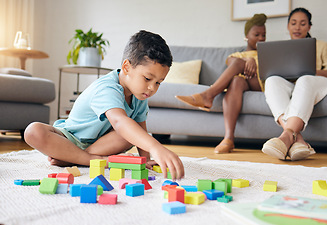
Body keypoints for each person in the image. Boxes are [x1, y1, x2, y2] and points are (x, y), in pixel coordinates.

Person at [24, 30, 184, 180]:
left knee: (132, 131)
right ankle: (89, 159)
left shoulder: (140, 94)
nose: (152, 88)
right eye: (148, 79)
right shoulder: (107, 87)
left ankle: (73, 157)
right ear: (127, 67)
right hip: (70, 138)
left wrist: (146, 158)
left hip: (100, 145)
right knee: (33, 131)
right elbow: (119, 121)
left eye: (158, 83)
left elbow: (140, 126)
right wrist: (156, 146)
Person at [176, 13, 267, 154]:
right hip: (242, 84)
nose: (261, 38)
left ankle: (208, 95)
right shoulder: (237, 56)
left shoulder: (267, 54)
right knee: (236, 80)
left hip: (259, 86)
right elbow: (233, 63)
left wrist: (254, 61)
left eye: (263, 35)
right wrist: (248, 60)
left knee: (238, 71)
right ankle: (228, 139)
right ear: (246, 36)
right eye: (257, 34)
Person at [261, 7, 327, 161]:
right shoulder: (280, 49)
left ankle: (286, 136)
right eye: (293, 23)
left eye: (302, 23)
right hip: (294, 87)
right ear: (288, 26)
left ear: (309, 27)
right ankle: (297, 140)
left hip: (320, 84)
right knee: (271, 80)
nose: (297, 27)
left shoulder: (322, 45)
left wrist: (309, 71)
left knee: (305, 79)